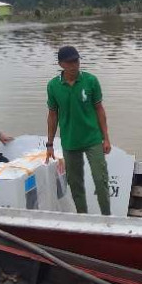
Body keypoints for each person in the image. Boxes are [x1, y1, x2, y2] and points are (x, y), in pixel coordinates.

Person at [46, 46, 112, 215]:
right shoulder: (53, 86)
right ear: (61, 64)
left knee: (101, 180)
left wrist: (106, 138)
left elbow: (99, 109)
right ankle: (83, 218)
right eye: (70, 62)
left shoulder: (91, 81)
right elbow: (52, 115)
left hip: (93, 139)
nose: (74, 65)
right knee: (75, 184)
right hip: (69, 141)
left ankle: (107, 218)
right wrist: (50, 144)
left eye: (76, 60)